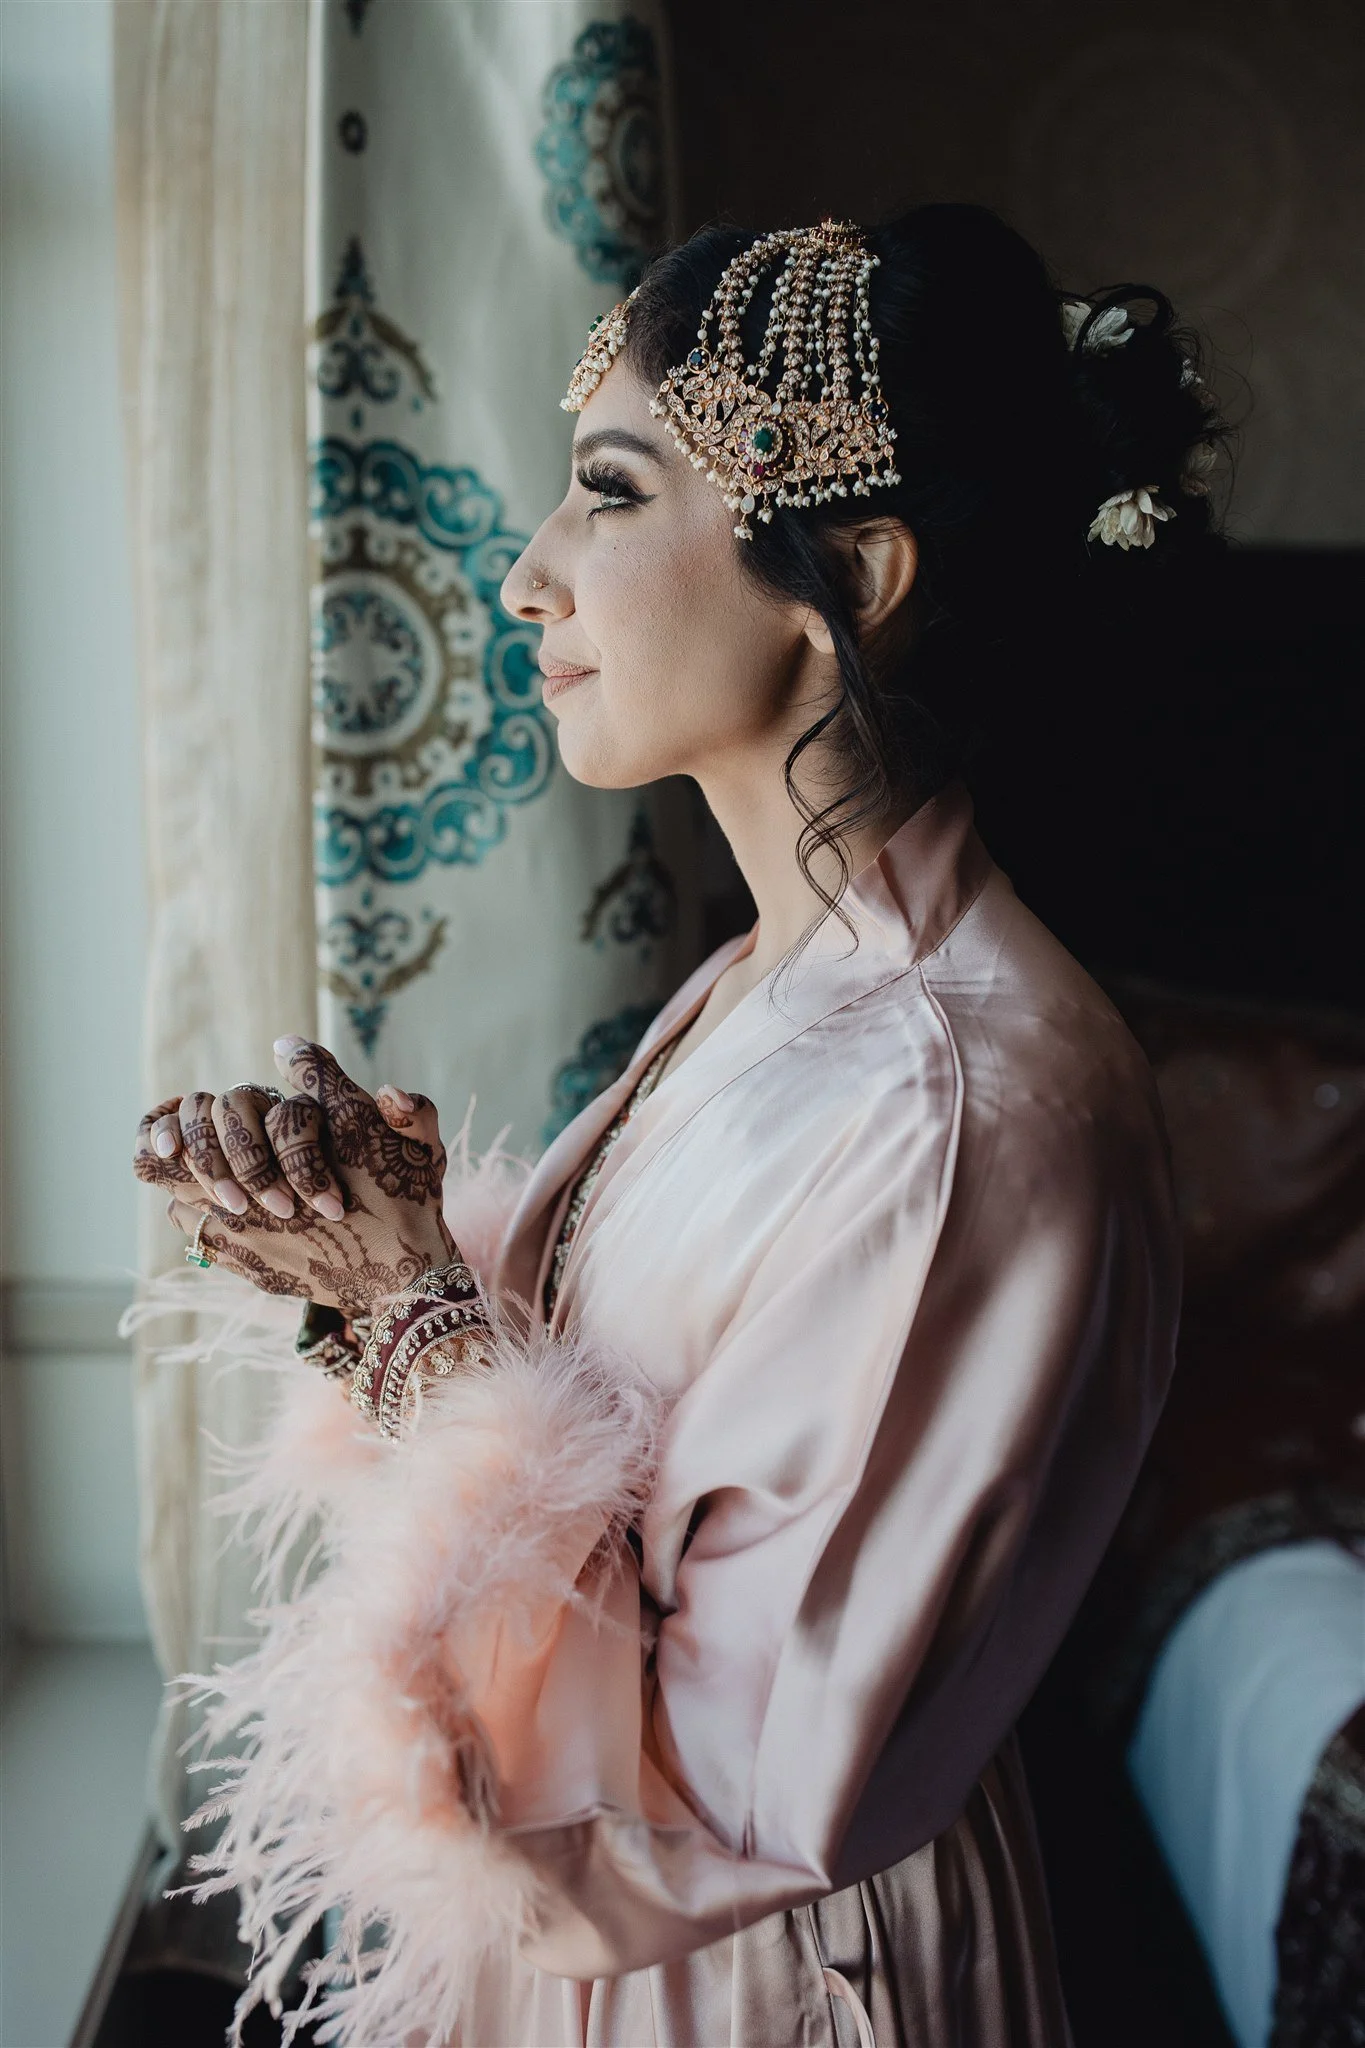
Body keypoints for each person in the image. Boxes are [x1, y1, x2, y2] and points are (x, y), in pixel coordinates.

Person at [133, 205, 1227, 2047]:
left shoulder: (957, 1105)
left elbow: (710, 1779)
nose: (527, 575)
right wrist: (375, 1266)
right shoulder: (778, 985)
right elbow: (632, 1496)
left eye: (613, 494)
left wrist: (421, 1318)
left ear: (852, 575)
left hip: (759, 1985)